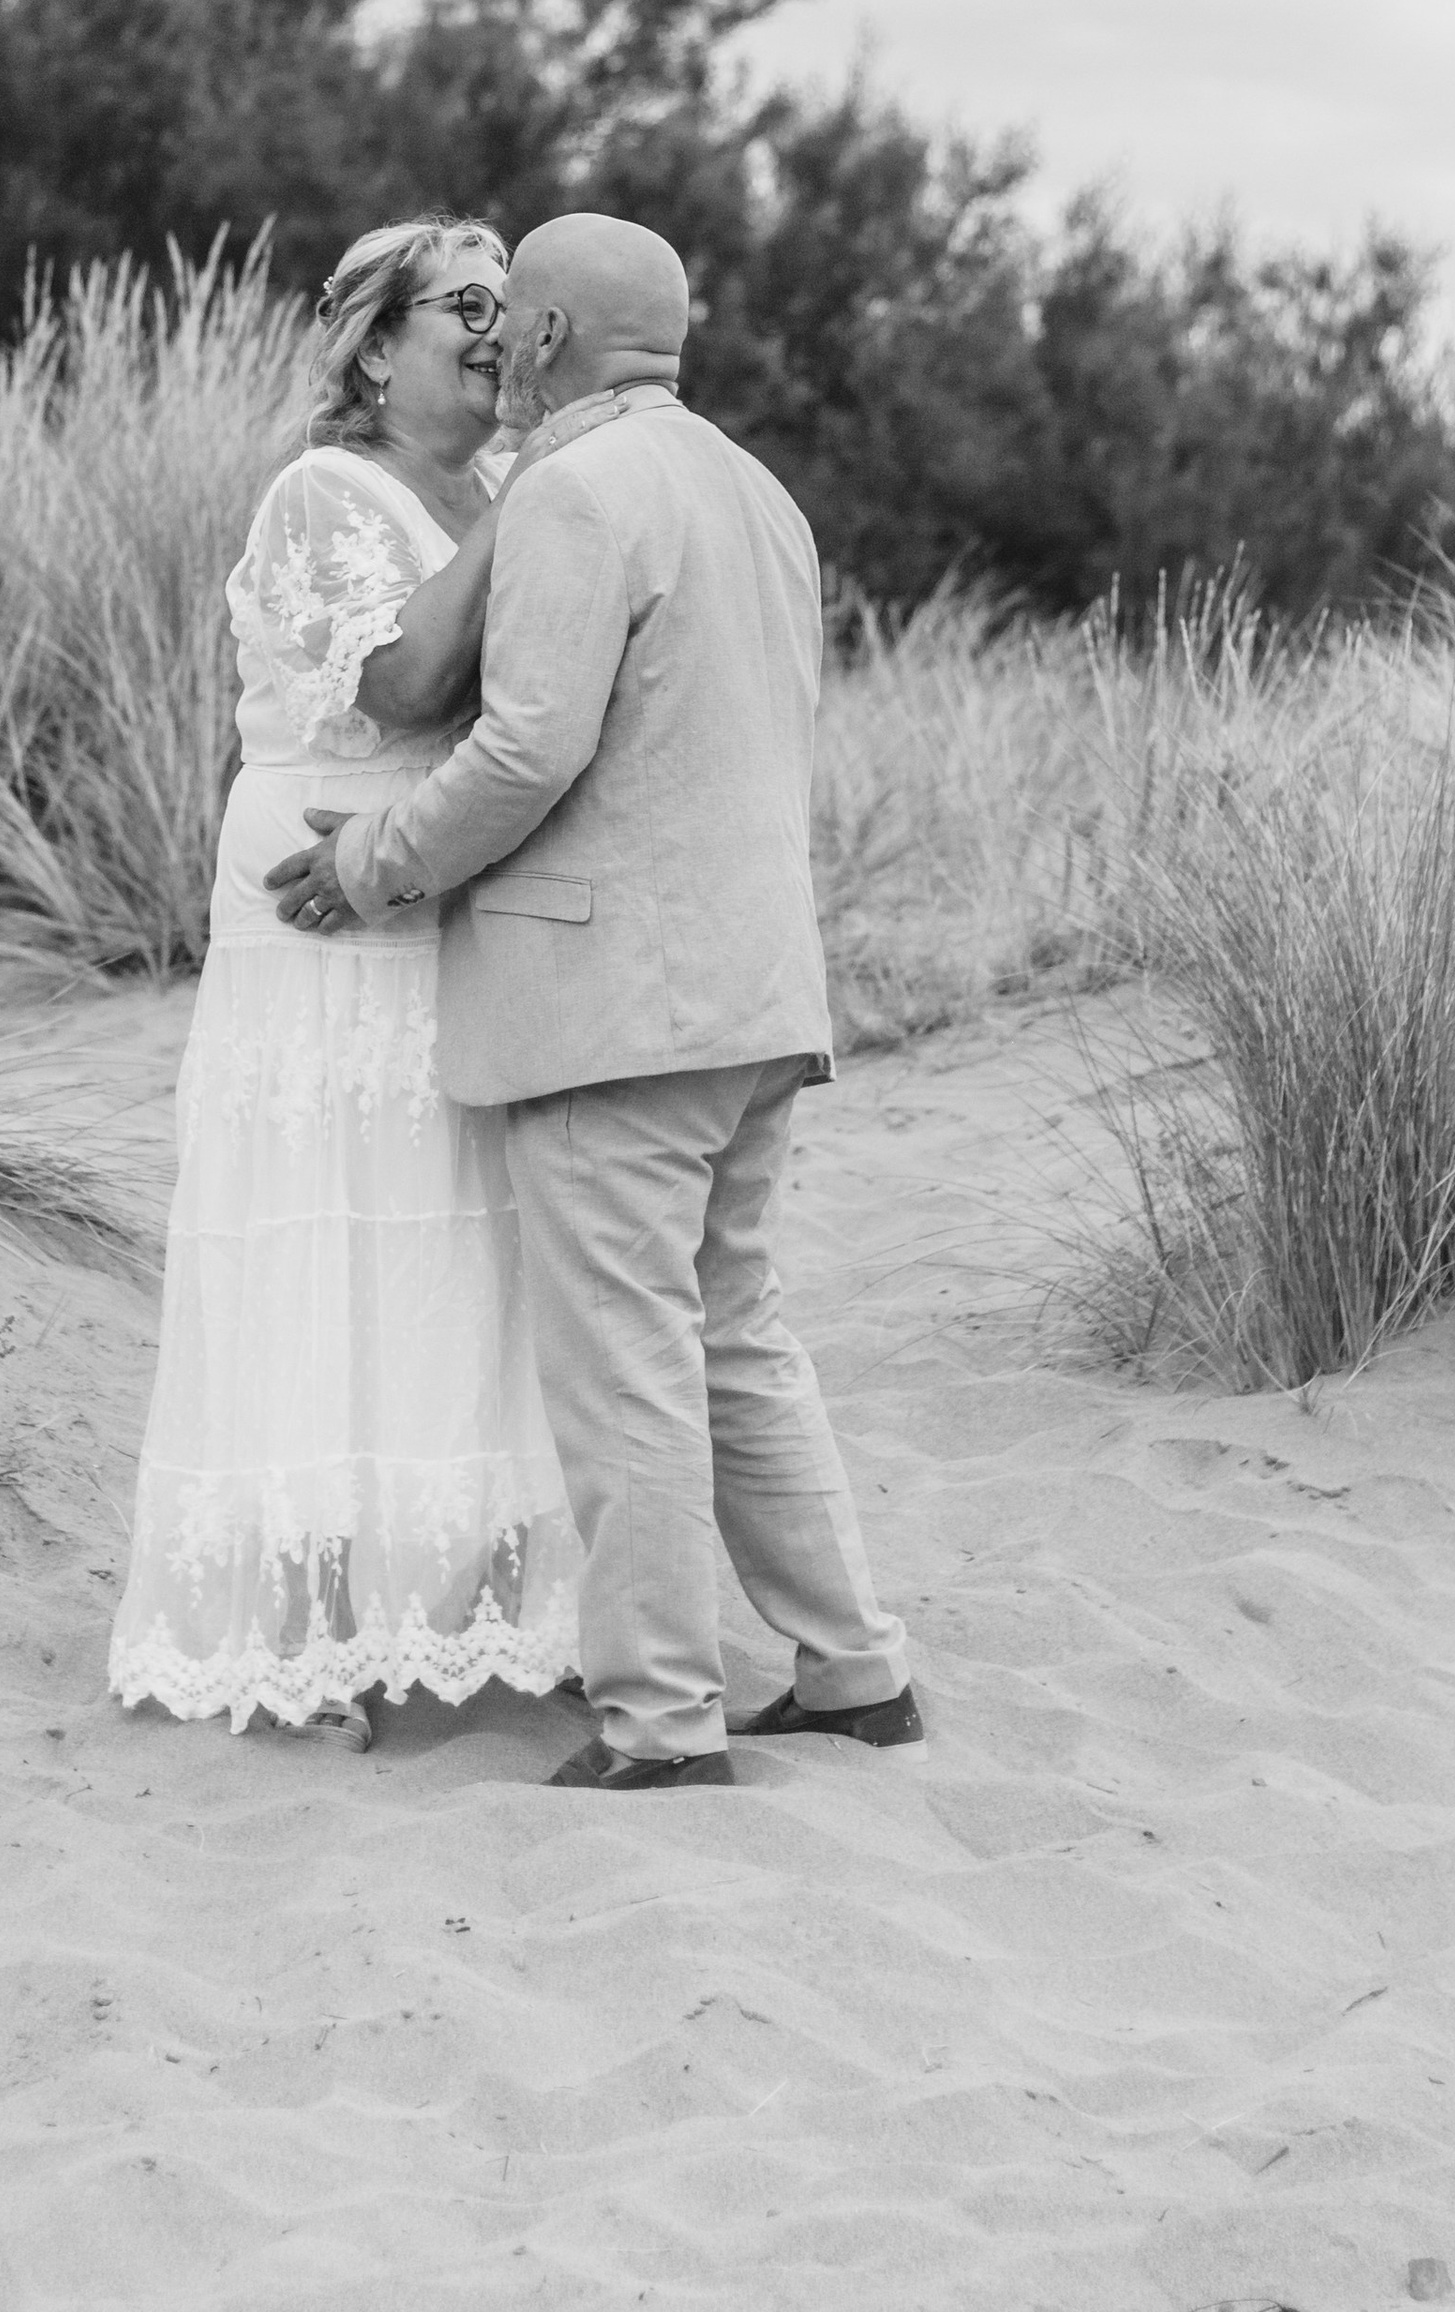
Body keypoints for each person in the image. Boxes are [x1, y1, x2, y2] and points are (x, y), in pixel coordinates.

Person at [268, 213, 919, 1790]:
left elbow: (525, 750)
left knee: (626, 1362)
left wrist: (371, 866)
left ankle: (660, 1721)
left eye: (515, 322)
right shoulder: (756, 491)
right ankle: (853, 1671)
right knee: (737, 1335)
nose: (497, 346)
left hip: (614, 1006)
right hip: (761, 996)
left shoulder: (572, 492)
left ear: (553, 339)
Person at [107, 215, 582, 1744]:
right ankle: (301, 1635)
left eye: (517, 306)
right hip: (317, 904)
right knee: (327, 1236)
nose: (501, 329)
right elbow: (402, 686)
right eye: (467, 305)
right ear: (379, 344)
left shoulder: (509, 487)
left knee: (454, 1236)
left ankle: (454, 1602)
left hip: (437, 888)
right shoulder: (325, 492)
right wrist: (546, 490)